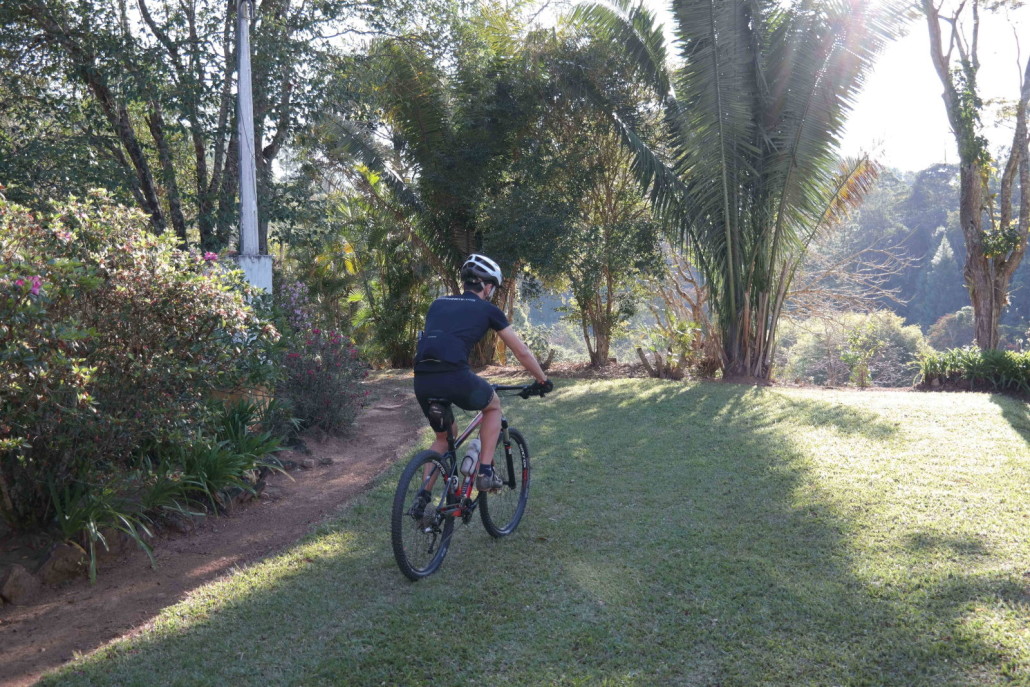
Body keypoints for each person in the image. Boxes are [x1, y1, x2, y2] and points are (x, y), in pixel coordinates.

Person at [413, 253, 552, 491]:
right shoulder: (488, 310)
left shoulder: (437, 304)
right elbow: (521, 352)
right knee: (493, 406)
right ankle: (485, 472)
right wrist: (542, 379)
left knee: (443, 438)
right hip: (455, 377)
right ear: (487, 286)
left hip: (423, 380)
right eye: (492, 287)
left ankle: (422, 500)